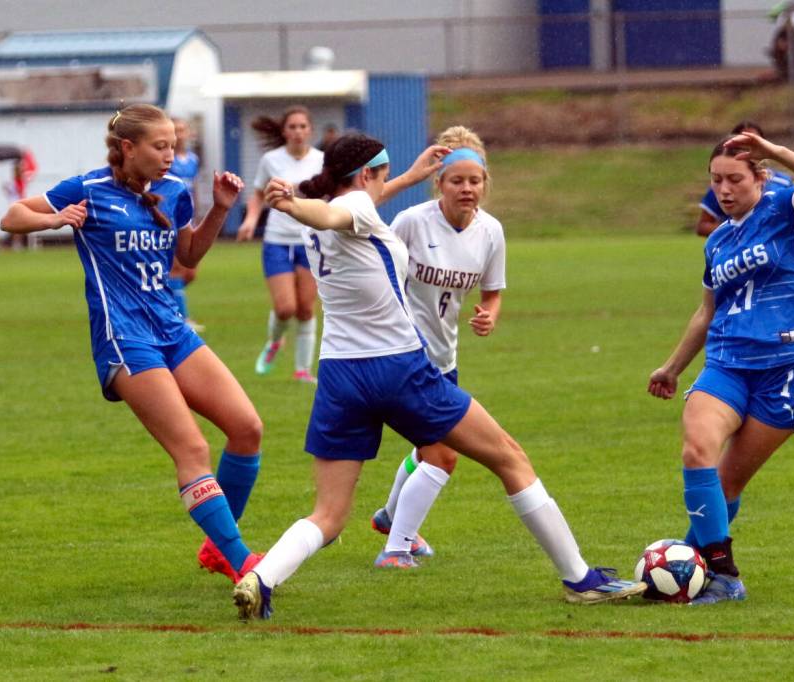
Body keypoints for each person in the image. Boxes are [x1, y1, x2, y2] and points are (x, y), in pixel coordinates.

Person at [232, 133, 646, 621]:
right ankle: (581, 579)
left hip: (340, 376)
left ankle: (261, 577)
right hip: (397, 368)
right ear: (365, 176)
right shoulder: (341, 210)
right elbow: (338, 211)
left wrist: (404, 176)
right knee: (510, 458)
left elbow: (345, 207)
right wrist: (299, 207)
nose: (386, 186)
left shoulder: (340, 208)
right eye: (383, 176)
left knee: (328, 515)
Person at [0, 103, 267, 584]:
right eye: (160, 146)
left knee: (247, 428)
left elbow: (187, 257)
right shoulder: (89, 188)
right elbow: (12, 216)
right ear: (128, 148)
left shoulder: (173, 191)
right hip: (125, 340)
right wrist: (55, 219)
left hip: (173, 330)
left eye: (173, 145)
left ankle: (217, 548)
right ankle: (241, 562)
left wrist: (220, 210)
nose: (171, 154)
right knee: (192, 449)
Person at [647, 131, 794, 604]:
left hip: (789, 364)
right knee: (698, 451)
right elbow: (706, 312)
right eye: (716, 181)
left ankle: (685, 568)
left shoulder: (784, 209)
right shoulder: (716, 242)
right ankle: (723, 573)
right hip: (727, 361)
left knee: (729, 480)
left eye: (735, 179)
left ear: (760, 177)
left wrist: (776, 150)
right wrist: (672, 368)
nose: (724, 190)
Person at [368, 126, 506, 567]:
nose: (467, 189)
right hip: (405, 358)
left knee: (429, 448)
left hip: (445, 359)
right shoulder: (412, 223)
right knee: (444, 453)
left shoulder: (491, 232)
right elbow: (377, 273)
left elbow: (492, 291)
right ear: (439, 183)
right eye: (456, 180)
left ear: (485, 181)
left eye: (475, 180)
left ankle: (390, 517)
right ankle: (396, 549)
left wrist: (490, 313)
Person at [236, 105, 323, 383]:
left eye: (302, 126)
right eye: (292, 127)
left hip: (310, 241)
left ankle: (302, 371)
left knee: (306, 309)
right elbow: (258, 194)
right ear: (284, 131)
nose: (297, 131)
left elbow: (330, 197)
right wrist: (250, 220)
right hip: (276, 240)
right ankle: (274, 342)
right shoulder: (271, 160)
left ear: (310, 130)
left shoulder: (322, 161)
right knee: (286, 308)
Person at [694, 122, 793, 237]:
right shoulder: (720, 187)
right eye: (741, 141)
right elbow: (703, 225)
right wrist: (737, 230)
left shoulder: (784, 183)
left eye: (755, 142)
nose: (725, 189)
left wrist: (779, 153)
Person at [167, 117, 204, 332]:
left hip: (188, 217)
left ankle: (165, 301)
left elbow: (194, 188)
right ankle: (182, 319)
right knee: (176, 269)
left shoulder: (192, 159)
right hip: (171, 218)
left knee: (190, 272)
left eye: (183, 130)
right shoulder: (166, 159)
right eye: (176, 130)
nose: (180, 134)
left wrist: (197, 213)